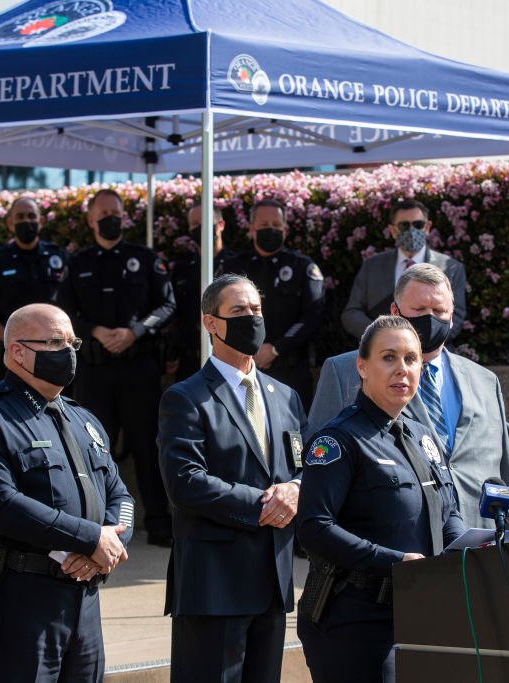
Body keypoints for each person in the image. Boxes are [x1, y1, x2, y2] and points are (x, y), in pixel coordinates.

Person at [0, 303, 134, 682]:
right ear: (17, 351)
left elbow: (121, 498)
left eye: (72, 342)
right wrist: (89, 538)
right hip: (23, 597)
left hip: (84, 593)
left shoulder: (82, 419)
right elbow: (0, 503)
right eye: (55, 342)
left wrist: (105, 548)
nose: (69, 352)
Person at [297, 315, 465, 682]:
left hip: (420, 615)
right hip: (356, 623)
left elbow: (448, 510)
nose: (401, 369)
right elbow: (313, 527)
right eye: (388, 358)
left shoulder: (423, 437)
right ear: (362, 367)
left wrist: (465, 546)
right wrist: (395, 561)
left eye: (410, 359)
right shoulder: (338, 440)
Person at [158, 274, 307, 683]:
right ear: (210, 323)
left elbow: (305, 465)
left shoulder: (285, 396)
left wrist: (295, 490)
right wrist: (266, 504)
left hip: (273, 582)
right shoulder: (185, 397)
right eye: (238, 311)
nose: (251, 318)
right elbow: (184, 482)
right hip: (214, 585)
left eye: (256, 310)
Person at [309, 264, 509, 528]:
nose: (430, 319)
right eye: (419, 310)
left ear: (452, 317)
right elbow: (318, 466)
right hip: (398, 546)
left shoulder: (485, 381)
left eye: (439, 311)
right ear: (394, 311)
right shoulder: (345, 371)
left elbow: (506, 471)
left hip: (484, 542)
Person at [59, 188, 175, 546]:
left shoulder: (145, 258)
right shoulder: (77, 264)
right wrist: (94, 331)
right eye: (103, 212)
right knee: (92, 448)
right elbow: (63, 313)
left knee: (147, 447)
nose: (111, 217)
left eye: (116, 212)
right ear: (91, 220)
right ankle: (94, 522)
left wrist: (135, 332)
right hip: (94, 371)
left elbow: (167, 304)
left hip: (138, 367)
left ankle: (158, 523)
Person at [222, 198, 324, 409]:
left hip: (290, 370)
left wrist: (275, 349)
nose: (271, 230)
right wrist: (246, 350)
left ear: (285, 230)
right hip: (240, 369)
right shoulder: (233, 267)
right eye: (264, 226)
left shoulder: (302, 267)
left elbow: (313, 315)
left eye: (276, 225)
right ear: (251, 229)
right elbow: (219, 312)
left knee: (292, 438)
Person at [0, 197, 67, 382]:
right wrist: (10, 340)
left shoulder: (59, 257)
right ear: (10, 223)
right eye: (20, 216)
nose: (26, 221)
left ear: (41, 221)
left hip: (54, 355)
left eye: (31, 216)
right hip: (13, 356)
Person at [342, 199, 466, 342]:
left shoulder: (450, 268)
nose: (412, 231)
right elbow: (352, 313)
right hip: (380, 353)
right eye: (404, 225)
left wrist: (425, 341)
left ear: (427, 227)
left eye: (418, 225)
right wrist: (381, 335)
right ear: (393, 230)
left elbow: (455, 316)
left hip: (432, 352)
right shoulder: (372, 266)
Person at [167, 202, 235, 381]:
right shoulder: (182, 270)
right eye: (195, 224)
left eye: (205, 221)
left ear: (220, 224)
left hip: (229, 361)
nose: (200, 228)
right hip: (190, 361)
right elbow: (174, 316)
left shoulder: (236, 266)